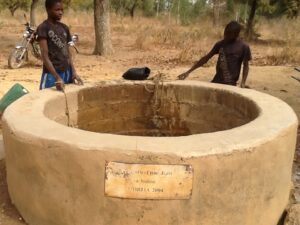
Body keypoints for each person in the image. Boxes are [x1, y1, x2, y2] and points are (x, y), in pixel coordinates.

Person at [178, 21, 251, 88]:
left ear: (236, 34)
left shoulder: (243, 47)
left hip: (230, 83)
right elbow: (206, 58)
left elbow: (246, 65)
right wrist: (188, 72)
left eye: (229, 34)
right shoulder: (220, 44)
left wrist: (243, 83)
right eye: (225, 33)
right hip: (217, 80)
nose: (225, 36)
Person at [37, 0, 83, 91]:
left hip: (67, 72)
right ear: (48, 10)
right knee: (47, 99)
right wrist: (57, 77)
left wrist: (73, 72)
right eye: (57, 10)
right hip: (51, 74)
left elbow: (68, 54)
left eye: (62, 10)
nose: (60, 12)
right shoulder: (43, 28)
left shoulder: (64, 28)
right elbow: (45, 56)